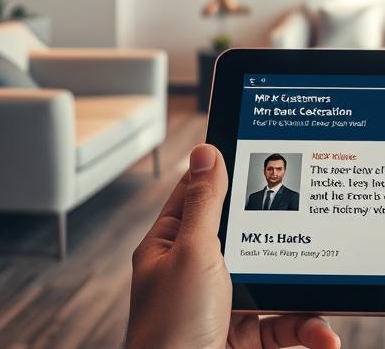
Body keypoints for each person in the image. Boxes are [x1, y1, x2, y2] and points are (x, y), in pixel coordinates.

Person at [127, 143, 340, 349]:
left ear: (284, 172)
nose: (274, 173)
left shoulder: (294, 197)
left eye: (278, 169)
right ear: (264, 171)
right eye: (270, 169)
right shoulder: (254, 197)